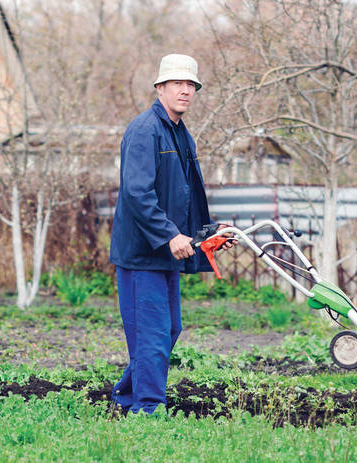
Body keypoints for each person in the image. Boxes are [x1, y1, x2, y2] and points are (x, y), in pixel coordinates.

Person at [109, 53, 228, 414]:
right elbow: (137, 192)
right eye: (177, 83)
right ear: (160, 87)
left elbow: (185, 195)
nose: (185, 90)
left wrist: (208, 233)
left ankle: (127, 396)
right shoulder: (145, 130)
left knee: (169, 330)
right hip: (142, 254)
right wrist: (168, 235)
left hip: (165, 253)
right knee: (153, 335)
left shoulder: (180, 134)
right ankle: (147, 409)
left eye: (191, 84)